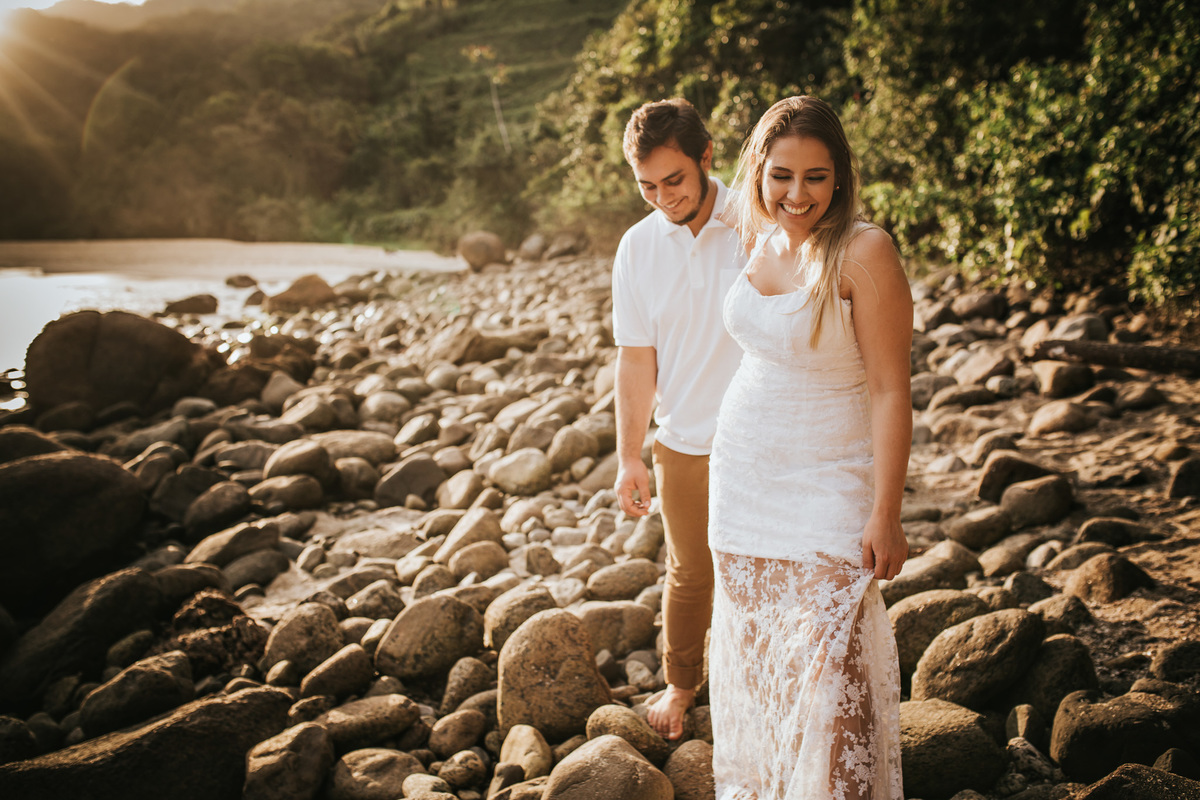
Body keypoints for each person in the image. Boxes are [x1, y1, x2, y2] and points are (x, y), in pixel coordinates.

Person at [707, 95, 911, 799]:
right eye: (781, 175)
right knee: (770, 664)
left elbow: (890, 389)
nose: (798, 195)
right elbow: (677, 190)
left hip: (830, 481)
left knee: (834, 670)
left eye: (816, 177)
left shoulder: (864, 251)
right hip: (742, 485)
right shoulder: (757, 238)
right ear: (758, 172)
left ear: (841, 176)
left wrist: (886, 511)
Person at [611, 98, 747, 740]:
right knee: (690, 572)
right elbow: (636, 360)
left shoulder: (760, 217)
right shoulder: (636, 248)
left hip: (766, 439)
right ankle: (681, 684)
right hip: (684, 442)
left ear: (706, 158)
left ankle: (766, 677)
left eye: (674, 180)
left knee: (768, 568)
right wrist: (629, 455)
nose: (662, 197)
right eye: (647, 187)